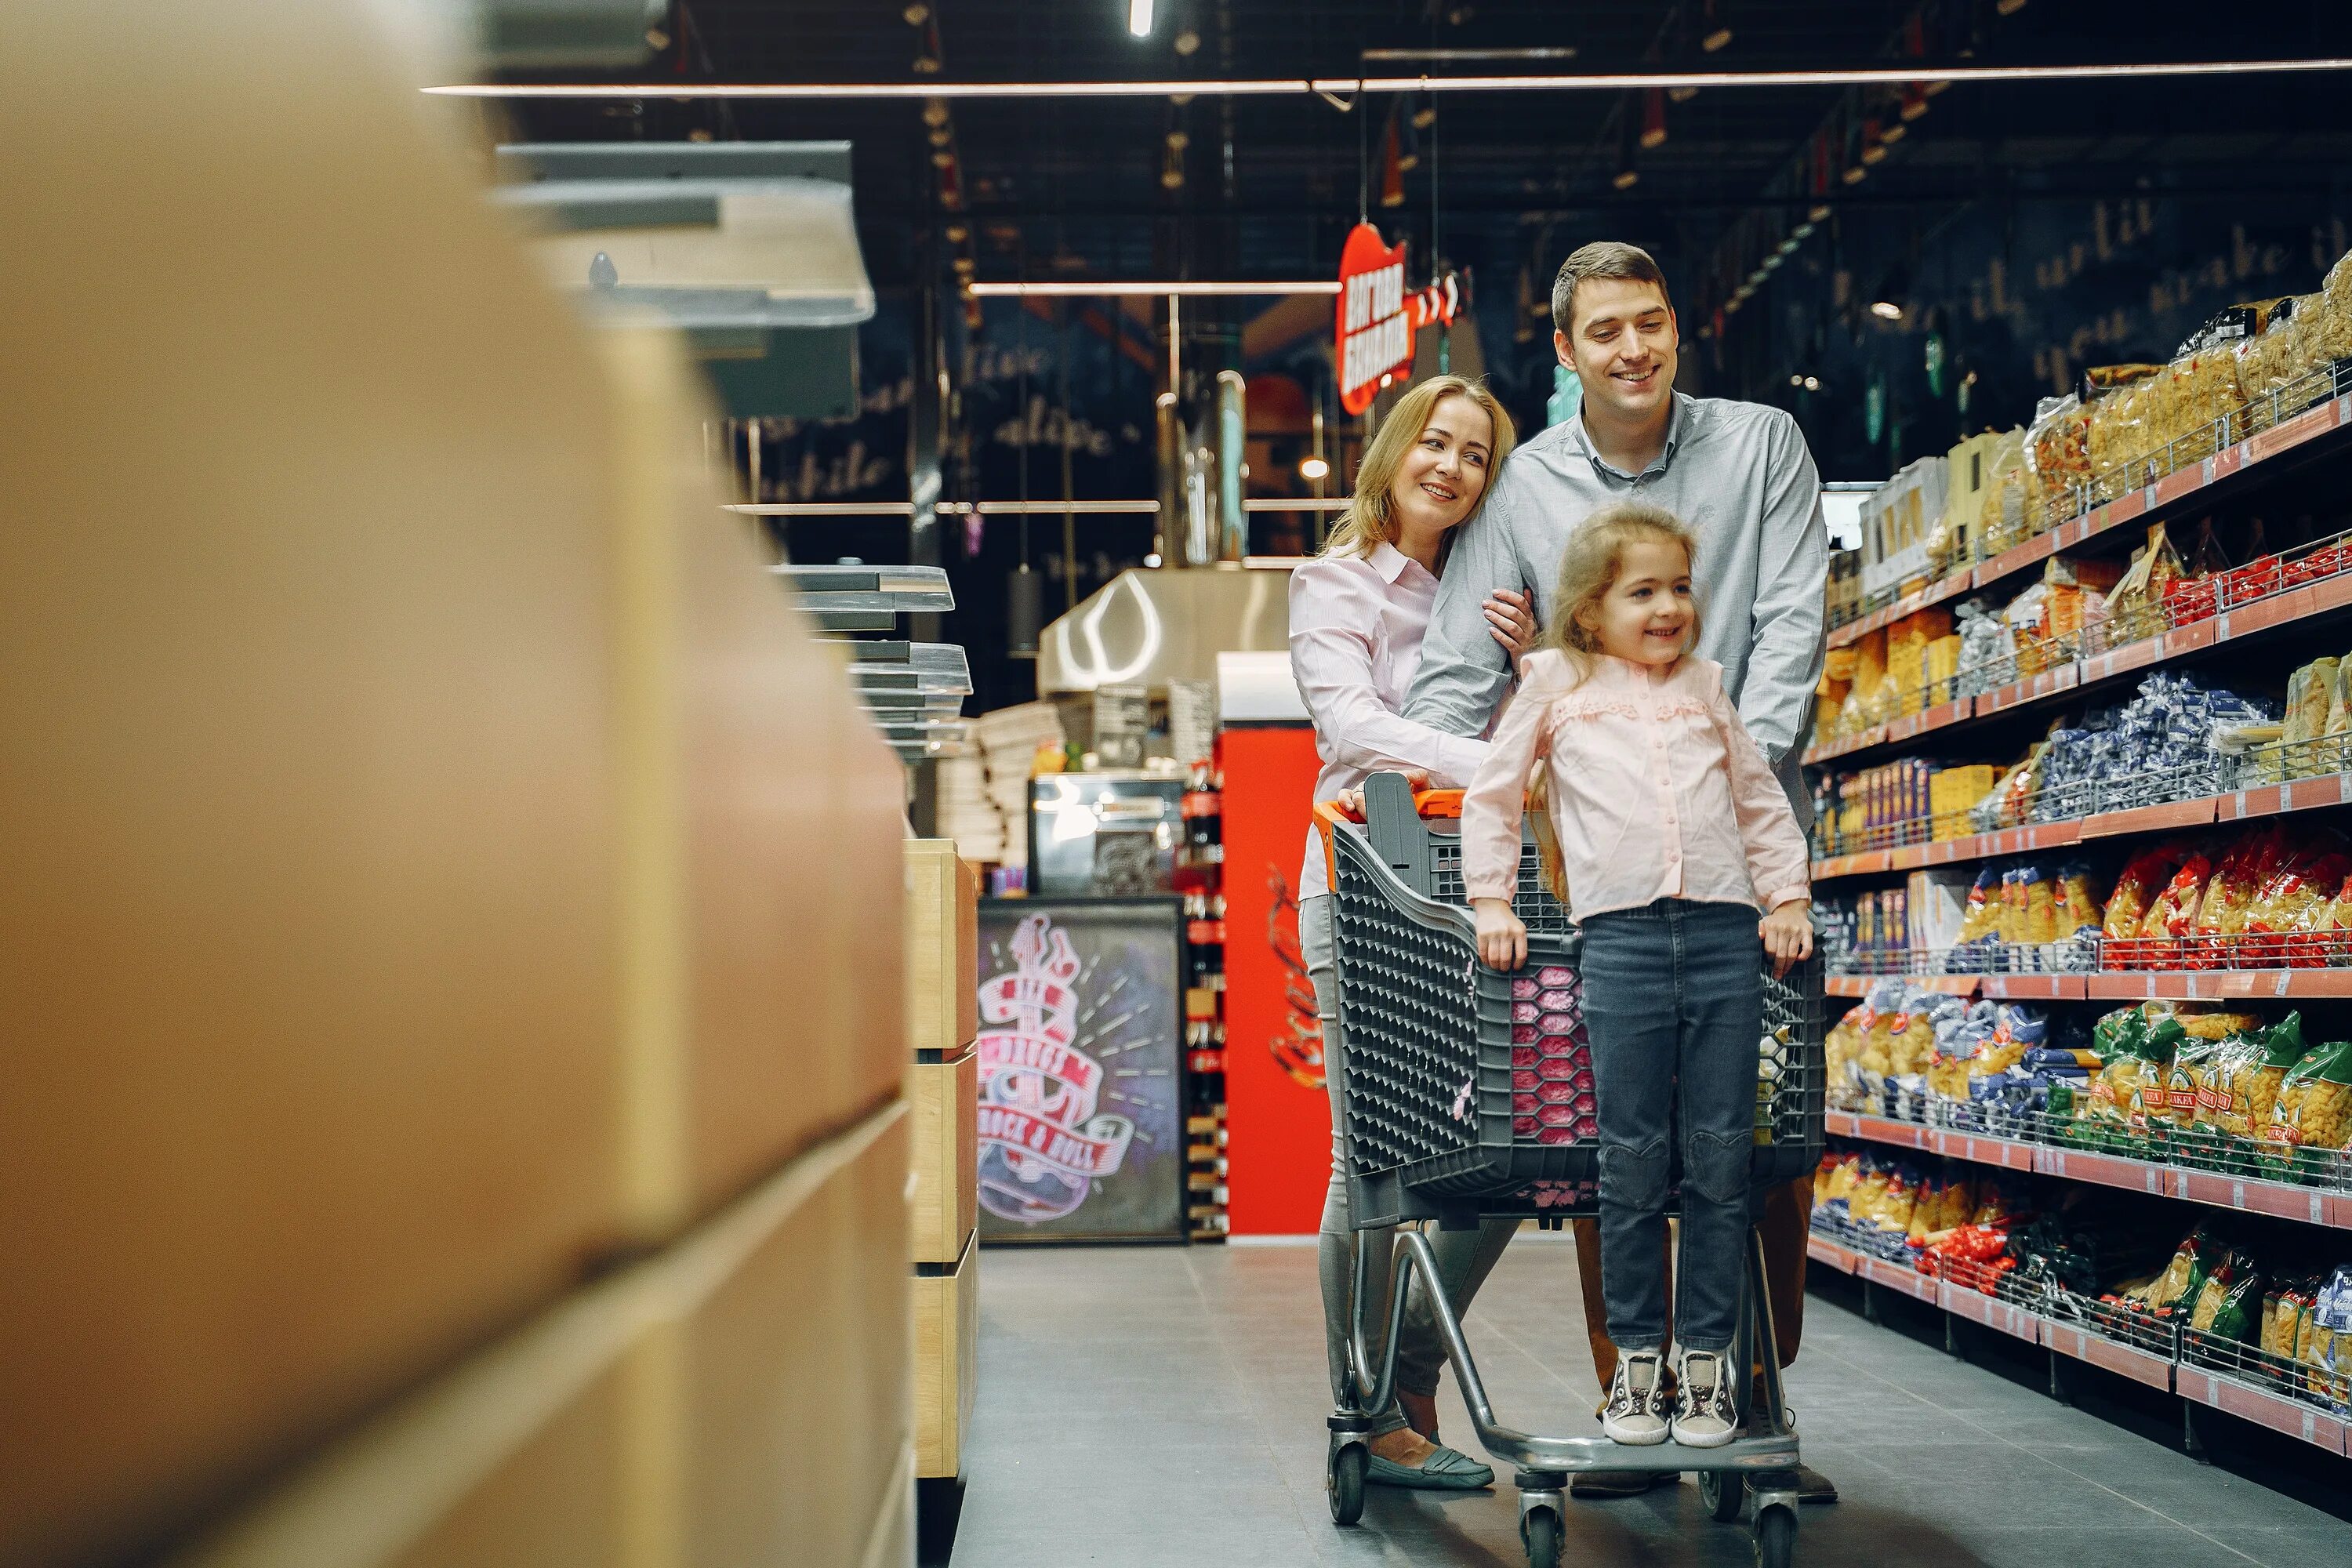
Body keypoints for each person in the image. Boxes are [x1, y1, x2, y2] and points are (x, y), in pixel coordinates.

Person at [1404, 240, 1832, 1496]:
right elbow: (1452, 675)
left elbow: (1795, 622)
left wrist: (1726, 746)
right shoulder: (1525, 487)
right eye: (1606, 332)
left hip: (1753, 856)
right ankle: (1631, 1382)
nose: (1633, 349)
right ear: (1565, 351)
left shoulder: (1763, 448)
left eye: (1650, 323)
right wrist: (1487, 736)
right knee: (1624, 1143)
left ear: (1675, 327)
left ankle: (1753, 1399)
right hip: (1596, 872)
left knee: (1759, 1136)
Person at [1460, 503, 1813, 1447]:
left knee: (1719, 1155)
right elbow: (1493, 794)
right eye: (1642, 590)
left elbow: (1757, 798)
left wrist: (1786, 896)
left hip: (1725, 938)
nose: (1668, 607)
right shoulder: (1555, 684)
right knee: (1627, 1158)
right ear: (1589, 612)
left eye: (1680, 588)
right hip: (1613, 943)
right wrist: (1491, 899)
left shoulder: (1706, 686)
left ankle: (1707, 1365)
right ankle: (1635, 1366)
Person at [1290, 373, 1536, 1490]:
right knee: (1372, 1155)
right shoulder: (1333, 582)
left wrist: (1529, 659)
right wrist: (1496, 763)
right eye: (1433, 443)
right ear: (1395, 449)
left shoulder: (1496, 596)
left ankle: (1415, 1364)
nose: (1450, 466)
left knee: (1507, 1145)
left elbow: (1553, 713)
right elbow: (1350, 726)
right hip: (1362, 879)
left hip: (1483, 889)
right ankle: (1361, 1404)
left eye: (1475, 454)